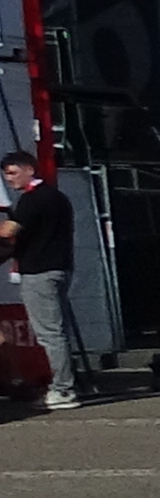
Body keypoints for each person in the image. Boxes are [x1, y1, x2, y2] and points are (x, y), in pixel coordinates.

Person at [5, 162, 88, 406]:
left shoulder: (32, 200)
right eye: (5, 174)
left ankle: (63, 389)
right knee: (58, 331)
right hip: (60, 268)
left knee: (50, 334)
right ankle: (66, 384)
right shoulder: (58, 197)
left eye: (12, 172)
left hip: (39, 272)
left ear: (29, 169)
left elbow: (9, 231)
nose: (9, 179)